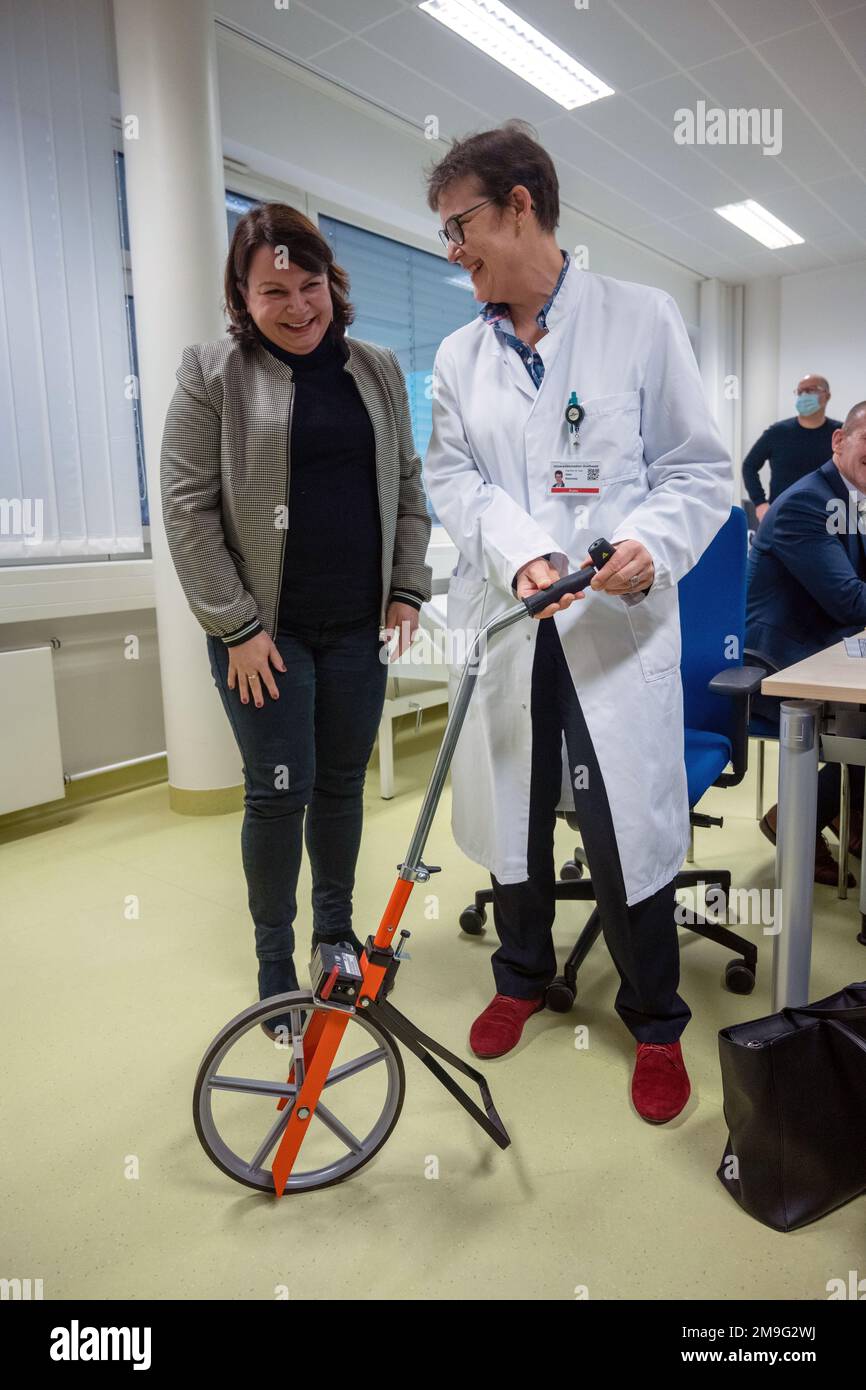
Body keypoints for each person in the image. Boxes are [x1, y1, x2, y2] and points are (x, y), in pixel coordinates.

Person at [423, 121, 731, 1125]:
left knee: (619, 822)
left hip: (611, 625)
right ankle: (520, 975)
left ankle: (651, 1016)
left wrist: (648, 543)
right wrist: (521, 553)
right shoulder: (457, 356)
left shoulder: (639, 320)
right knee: (515, 809)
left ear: (521, 205)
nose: (452, 248)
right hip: (515, 626)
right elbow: (452, 477)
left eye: (459, 223)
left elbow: (696, 470)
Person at [161, 204, 432, 1038]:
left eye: (310, 284)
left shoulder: (378, 369)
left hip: (357, 628)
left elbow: (409, 488)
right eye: (273, 290)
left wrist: (406, 587)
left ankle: (334, 934)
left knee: (342, 787)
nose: (298, 305)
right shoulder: (213, 373)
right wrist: (237, 628)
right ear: (243, 297)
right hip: (265, 639)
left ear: (331, 283)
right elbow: (185, 506)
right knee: (280, 797)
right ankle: (275, 961)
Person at [746, 401, 866, 884]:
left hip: (825, 647)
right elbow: (851, 602)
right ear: (840, 441)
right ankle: (796, 816)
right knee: (862, 721)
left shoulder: (852, 500)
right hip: (779, 660)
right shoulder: (806, 503)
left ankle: (844, 812)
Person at [743, 374, 842, 523]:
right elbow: (749, 466)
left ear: (827, 396)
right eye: (800, 391)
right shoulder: (778, 432)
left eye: (811, 390)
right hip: (784, 515)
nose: (804, 395)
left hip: (829, 517)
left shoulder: (840, 433)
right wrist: (760, 504)